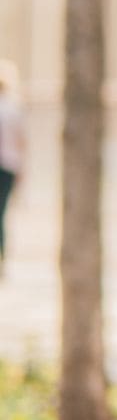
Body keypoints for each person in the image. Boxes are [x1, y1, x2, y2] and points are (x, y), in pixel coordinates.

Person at [0, 59, 24, 278]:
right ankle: (2, 260)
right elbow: (21, 143)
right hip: (8, 167)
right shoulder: (13, 109)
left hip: (6, 165)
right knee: (2, 214)